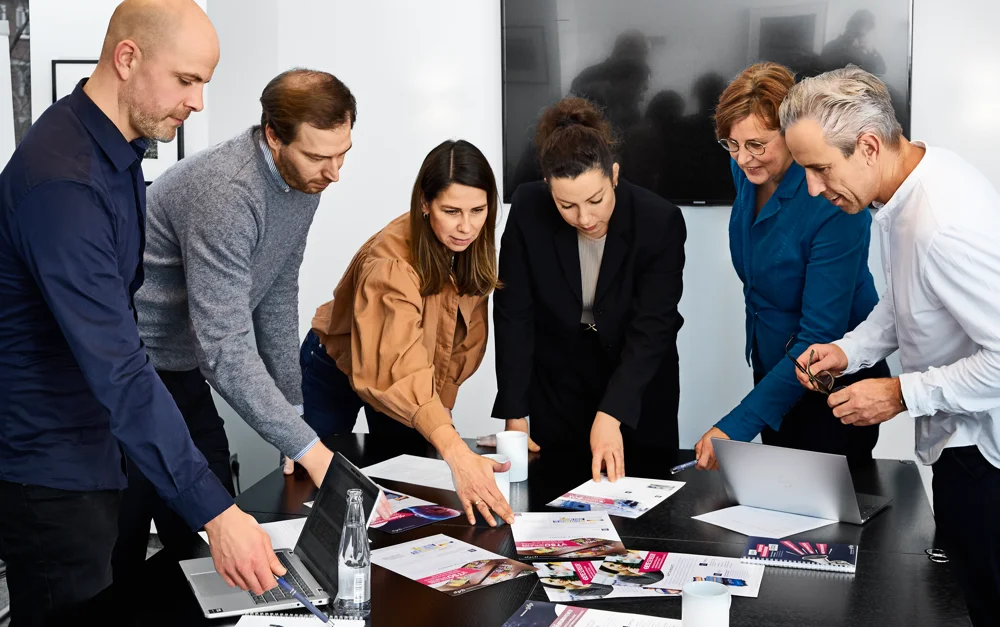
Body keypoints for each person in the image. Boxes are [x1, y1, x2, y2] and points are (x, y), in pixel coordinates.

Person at [0, 0, 284, 625]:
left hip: (98, 446)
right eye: (186, 80)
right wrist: (217, 512)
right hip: (51, 469)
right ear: (127, 58)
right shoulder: (64, 183)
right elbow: (118, 365)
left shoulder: (117, 152)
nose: (198, 101)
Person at [112, 69, 352, 582]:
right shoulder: (226, 191)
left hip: (180, 369)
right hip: (126, 375)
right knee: (121, 550)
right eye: (319, 156)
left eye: (342, 154)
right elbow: (223, 345)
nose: (334, 173)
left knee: (211, 539)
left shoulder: (303, 182)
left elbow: (277, 294)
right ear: (273, 136)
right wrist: (311, 450)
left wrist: (293, 418)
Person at [781, 66, 1000, 627]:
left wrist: (902, 393)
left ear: (869, 146)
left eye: (820, 168)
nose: (814, 188)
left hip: (984, 457)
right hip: (960, 443)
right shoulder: (910, 185)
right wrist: (848, 351)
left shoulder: (941, 224)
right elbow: (910, 302)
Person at [301, 140, 514, 527]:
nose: (466, 226)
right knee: (312, 488)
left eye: (478, 211)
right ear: (425, 203)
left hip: (405, 373)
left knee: (410, 486)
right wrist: (454, 449)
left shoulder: (471, 247)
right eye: (451, 211)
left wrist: (443, 407)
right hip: (336, 366)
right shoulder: (391, 262)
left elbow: (460, 340)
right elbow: (395, 366)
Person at [693, 62, 888, 470]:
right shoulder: (748, 169)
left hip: (832, 383)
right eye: (731, 144)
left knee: (829, 507)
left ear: (791, 133)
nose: (743, 158)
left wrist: (736, 425)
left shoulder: (832, 198)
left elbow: (819, 334)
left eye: (756, 144)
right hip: (774, 376)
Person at [492, 96, 686, 483]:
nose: (584, 218)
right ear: (548, 187)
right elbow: (514, 312)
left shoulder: (658, 220)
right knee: (553, 492)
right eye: (567, 205)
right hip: (558, 381)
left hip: (637, 381)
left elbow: (654, 325)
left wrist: (613, 413)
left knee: (642, 495)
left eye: (596, 200)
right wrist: (515, 414)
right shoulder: (529, 208)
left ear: (614, 175)